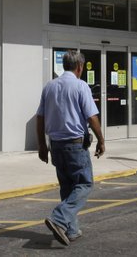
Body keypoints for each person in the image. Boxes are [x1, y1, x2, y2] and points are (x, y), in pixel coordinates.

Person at [36, 50, 105, 246]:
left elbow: (39, 118)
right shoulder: (80, 86)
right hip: (75, 145)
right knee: (84, 184)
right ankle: (59, 218)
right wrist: (101, 140)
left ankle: (71, 230)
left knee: (67, 187)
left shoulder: (49, 86)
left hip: (56, 146)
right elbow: (92, 118)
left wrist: (42, 145)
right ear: (80, 67)